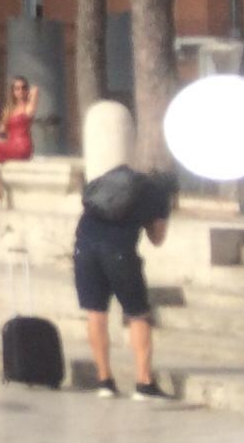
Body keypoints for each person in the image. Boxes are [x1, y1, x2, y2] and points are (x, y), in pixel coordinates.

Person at [74, 166, 177, 401]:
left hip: (84, 245)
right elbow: (157, 239)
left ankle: (104, 382)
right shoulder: (159, 196)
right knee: (138, 313)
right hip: (118, 251)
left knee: (96, 311)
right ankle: (144, 383)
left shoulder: (117, 178)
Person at [0, 77, 39, 169]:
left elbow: (36, 90)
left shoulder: (28, 108)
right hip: (11, 143)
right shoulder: (10, 110)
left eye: (23, 87)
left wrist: (29, 94)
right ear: (12, 91)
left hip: (22, 146)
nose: (20, 91)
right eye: (17, 88)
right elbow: (2, 128)